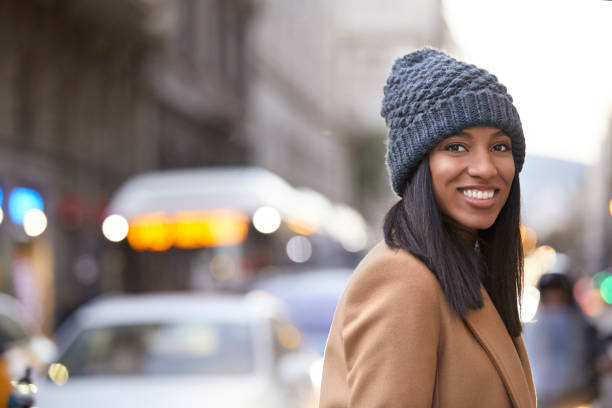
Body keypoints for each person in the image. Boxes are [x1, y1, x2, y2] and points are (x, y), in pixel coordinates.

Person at [319, 48, 537, 407]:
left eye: (500, 146)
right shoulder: (402, 278)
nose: (485, 167)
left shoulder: (467, 268)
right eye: (456, 146)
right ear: (419, 165)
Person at [523, 272, 605, 407]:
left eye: (557, 292)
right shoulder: (532, 326)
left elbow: (597, 350)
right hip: (541, 396)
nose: (554, 296)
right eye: (549, 292)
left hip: (575, 395)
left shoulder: (581, 324)